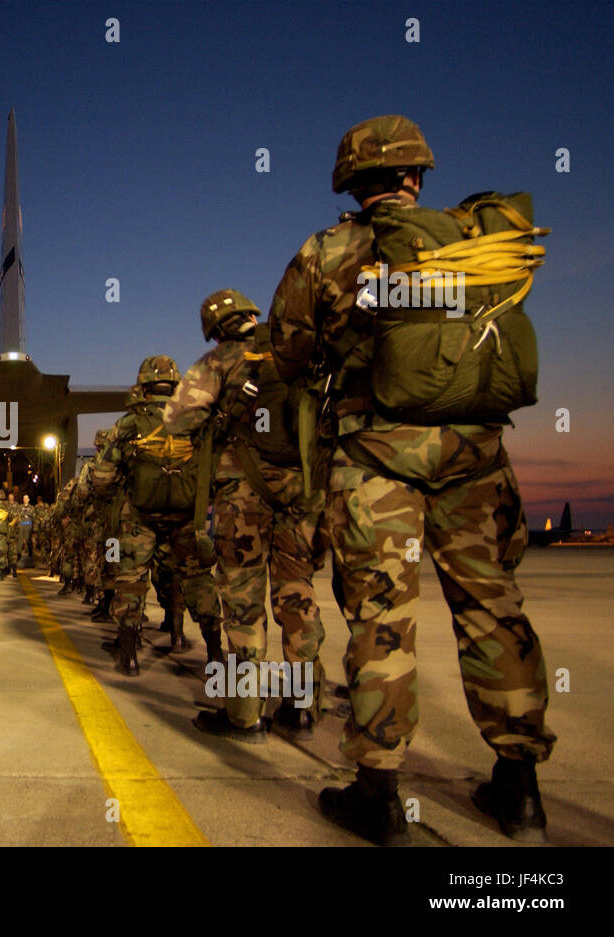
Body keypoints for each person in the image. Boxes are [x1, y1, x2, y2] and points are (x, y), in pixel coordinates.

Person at [269, 115, 555, 844]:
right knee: (493, 606)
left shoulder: (329, 250)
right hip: (474, 453)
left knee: (383, 617)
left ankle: (380, 793)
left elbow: (288, 351)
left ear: (352, 182)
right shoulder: (465, 242)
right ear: (417, 176)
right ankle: (520, 789)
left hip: (376, 455)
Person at [164, 289, 325, 743]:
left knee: (243, 603)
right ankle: (302, 706)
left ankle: (244, 716)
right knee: (298, 595)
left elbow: (175, 419)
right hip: (303, 489)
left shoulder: (219, 362)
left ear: (215, 327)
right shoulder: (297, 349)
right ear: (251, 313)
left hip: (244, 494)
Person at [93, 357, 222, 676]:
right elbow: (214, 469)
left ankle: (129, 657)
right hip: (186, 517)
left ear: (144, 385)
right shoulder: (199, 422)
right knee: (197, 579)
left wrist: (116, 497)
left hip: (140, 516)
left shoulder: (128, 423)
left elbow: (102, 477)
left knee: (132, 581)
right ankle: (216, 654)